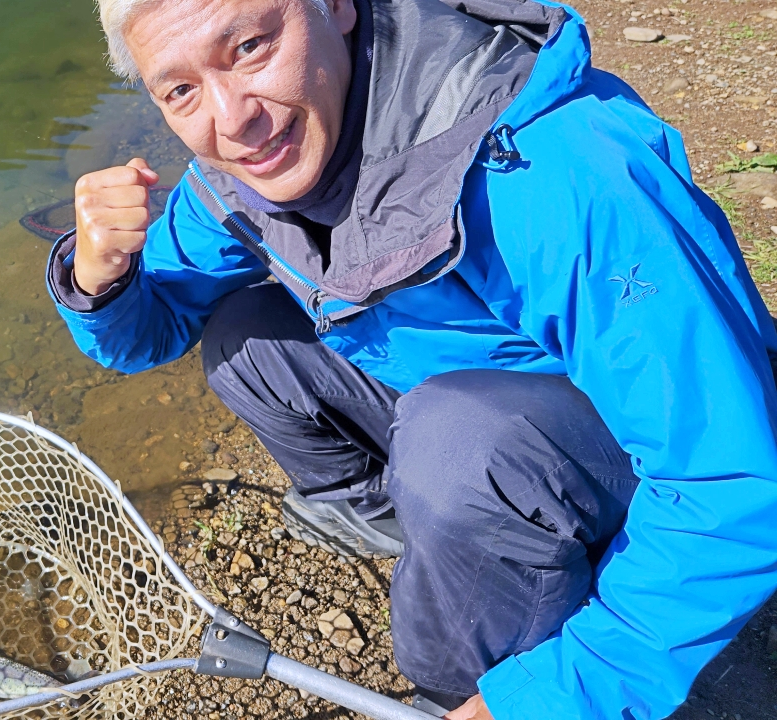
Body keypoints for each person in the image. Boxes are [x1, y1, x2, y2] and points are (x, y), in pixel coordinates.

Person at [43, 0, 777, 717]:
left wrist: (547, 696)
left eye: (251, 48)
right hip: (465, 414)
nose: (232, 119)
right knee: (245, 336)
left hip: (617, 450)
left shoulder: (560, 170)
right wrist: (98, 277)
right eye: (181, 89)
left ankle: (480, 658)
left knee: (455, 446)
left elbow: (735, 483)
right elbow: (151, 330)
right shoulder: (243, 172)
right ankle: (443, 541)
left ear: (336, 8)